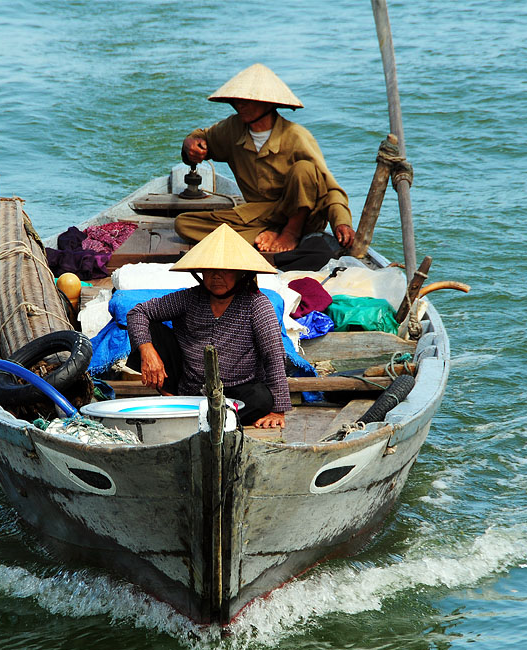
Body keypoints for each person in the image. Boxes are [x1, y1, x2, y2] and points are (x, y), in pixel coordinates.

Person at [175, 63, 355, 254]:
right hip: (262, 215)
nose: (240, 105)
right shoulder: (232, 129)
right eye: (237, 101)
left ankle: (291, 233)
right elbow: (202, 137)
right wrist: (190, 145)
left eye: (248, 101)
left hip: (304, 215)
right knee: (184, 224)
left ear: (269, 103)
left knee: (304, 169)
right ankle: (269, 233)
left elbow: (331, 189)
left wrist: (341, 223)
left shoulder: (296, 136)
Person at [126, 223, 290, 429]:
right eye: (210, 270)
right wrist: (147, 351)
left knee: (261, 398)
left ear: (242, 273)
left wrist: (278, 412)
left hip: (236, 393)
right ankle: (172, 401)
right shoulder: (190, 297)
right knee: (149, 331)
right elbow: (138, 312)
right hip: (190, 389)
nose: (216, 276)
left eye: (225, 271)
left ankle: (205, 418)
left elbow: (273, 355)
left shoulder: (257, 305)